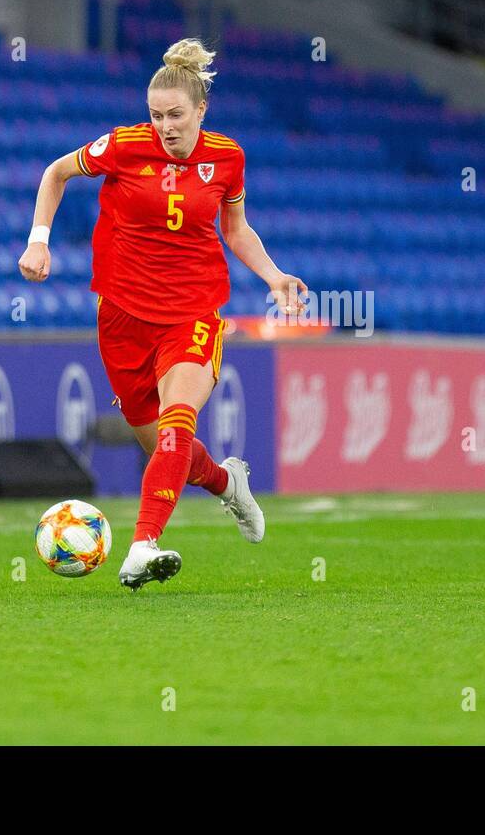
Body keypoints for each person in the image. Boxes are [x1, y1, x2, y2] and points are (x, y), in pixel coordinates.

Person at [19, 38, 307, 590]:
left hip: (193, 311)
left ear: (201, 110)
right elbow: (55, 173)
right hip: (122, 315)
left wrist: (274, 276)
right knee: (162, 447)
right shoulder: (124, 146)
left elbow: (236, 230)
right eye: (156, 115)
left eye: (175, 114)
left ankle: (142, 546)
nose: (165, 126)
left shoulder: (228, 157)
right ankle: (227, 482)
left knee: (180, 416)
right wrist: (39, 241)